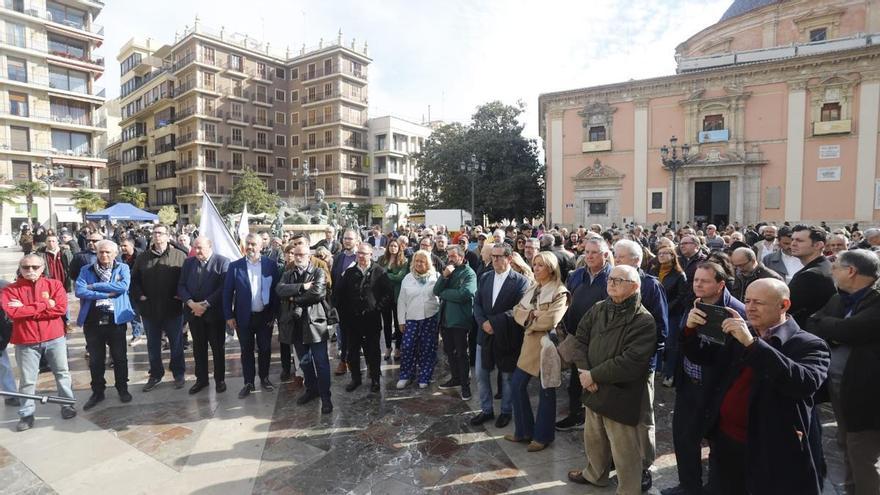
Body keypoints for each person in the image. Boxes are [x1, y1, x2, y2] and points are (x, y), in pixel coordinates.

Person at [681, 278, 829, 495]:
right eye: (747, 301)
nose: (749, 308)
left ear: (784, 305)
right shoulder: (743, 332)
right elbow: (705, 358)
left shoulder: (809, 344)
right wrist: (690, 331)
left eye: (759, 303)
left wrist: (752, 344)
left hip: (769, 448)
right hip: (725, 440)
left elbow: (803, 383)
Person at [566, 265, 656, 493]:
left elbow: (631, 362)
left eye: (619, 280)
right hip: (592, 385)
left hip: (620, 391)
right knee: (594, 439)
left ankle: (629, 489)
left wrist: (594, 375)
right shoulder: (599, 308)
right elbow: (580, 340)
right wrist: (585, 373)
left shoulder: (643, 320)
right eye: (611, 279)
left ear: (634, 287)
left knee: (624, 450)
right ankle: (595, 474)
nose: (612, 283)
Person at [662, 262, 746, 495]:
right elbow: (683, 341)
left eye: (704, 281)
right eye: (696, 280)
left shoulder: (736, 311)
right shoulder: (694, 302)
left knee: (718, 443)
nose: (697, 284)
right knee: (684, 437)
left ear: (720, 285)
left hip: (717, 389)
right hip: (689, 382)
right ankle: (689, 486)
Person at [807, 249, 880, 494]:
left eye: (835, 266)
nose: (831, 271)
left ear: (851, 271)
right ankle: (851, 489)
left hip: (867, 393)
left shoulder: (876, 299)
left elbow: (852, 330)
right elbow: (812, 322)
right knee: (846, 442)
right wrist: (837, 330)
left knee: (862, 450)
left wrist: (836, 330)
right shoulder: (839, 298)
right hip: (840, 388)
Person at [613, 239, 670, 491]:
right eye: (615, 257)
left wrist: (641, 359)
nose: (615, 262)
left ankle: (644, 466)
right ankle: (620, 462)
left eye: (620, 258)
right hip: (613, 363)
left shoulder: (650, 285)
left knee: (642, 418)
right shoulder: (612, 281)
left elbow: (661, 330)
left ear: (636, 261)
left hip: (639, 365)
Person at [2, 254, 76, 430]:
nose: (30, 271)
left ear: (42, 268)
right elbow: (13, 314)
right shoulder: (10, 290)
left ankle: (67, 404)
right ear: (20, 269)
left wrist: (26, 308)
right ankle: (27, 414)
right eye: (26, 267)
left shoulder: (54, 285)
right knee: (28, 380)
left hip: (54, 337)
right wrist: (45, 304)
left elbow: (59, 309)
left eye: (35, 267)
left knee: (62, 373)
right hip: (26, 340)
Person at [508, 252, 570, 452]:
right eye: (534, 264)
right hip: (529, 344)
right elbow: (516, 311)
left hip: (547, 346)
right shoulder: (533, 287)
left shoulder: (560, 292)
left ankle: (543, 436)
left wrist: (531, 320)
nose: (535, 268)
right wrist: (534, 315)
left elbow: (551, 320)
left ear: (550, 268)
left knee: (547, 390)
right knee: (517, 385)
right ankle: (523, 431)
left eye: (540, 265)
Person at [556, 237, 613, 431]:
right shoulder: (576, 274)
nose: (589, 256)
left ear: (605, 255)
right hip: (575, 337)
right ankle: (575, 415)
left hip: (600, 341)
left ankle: (597, 424)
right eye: (586, 252)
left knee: (596, 383)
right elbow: (568, 300)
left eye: (594, 252)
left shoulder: (612, 277)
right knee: (575, 381)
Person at [471, 243, 529, 428]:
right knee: (481, 374)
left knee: (507, 376)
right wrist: (483, 323)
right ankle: (486, 410)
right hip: (484, 335)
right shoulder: (486, 277)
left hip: (506, 336)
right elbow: (477, 303)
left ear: (509, 258)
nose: (494, 260)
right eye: (492, 256)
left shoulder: (520, 281)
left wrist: (493, 323)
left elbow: (518, 310)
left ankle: (506, 411)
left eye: (498, 256)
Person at [75, 240, 135, 410]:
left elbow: (123, 286)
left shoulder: (122, 268)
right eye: (101, 252)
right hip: (93, 320)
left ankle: (122, 388)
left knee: (120, 357)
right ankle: (97, 391)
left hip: (115, 319)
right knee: (95, 359)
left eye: (108, 252)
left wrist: (94, 286)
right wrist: (109, 292)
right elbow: (80, 291)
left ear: (115, 254)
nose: (104, 255)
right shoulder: (86, 270)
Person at [276, 243, 333, 414]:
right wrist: (301, 288)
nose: (298, 257)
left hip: (315, 324)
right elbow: (279, 290)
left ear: (309, 256)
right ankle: (312, 389)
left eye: (302, 254)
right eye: (295, 254)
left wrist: (293, 299)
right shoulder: (288, 274)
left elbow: (317, 293)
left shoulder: (318, 272)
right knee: (304, 362)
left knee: (321, 363)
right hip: (295, 325)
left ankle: (326, 398)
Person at [223, 233, 280, 399]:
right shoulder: (235, 266)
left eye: (253, 244)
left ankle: (264, 378)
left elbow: (276, 291)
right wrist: (228, 316)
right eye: (248, 244)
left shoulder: (271, 265)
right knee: (246, 350)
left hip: (265, 317)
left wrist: (274, 314)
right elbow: (227, 293)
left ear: (261, 246)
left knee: (265, 349)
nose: (250, 247)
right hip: (243, 317)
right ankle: (248, 382)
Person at [131, 224, 187, 392]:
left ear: (168, 236)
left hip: (173, 308)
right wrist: (140, 295)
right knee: (153, 345)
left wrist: (181, 293)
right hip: (150, 310)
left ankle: (178, 373)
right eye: (155, 233)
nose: (157, 236)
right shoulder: (143, 257)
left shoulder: (179, 256)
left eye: (160, 233)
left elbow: (186, 279)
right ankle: (156, 374)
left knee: (176, 344)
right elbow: (134, 280)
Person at [335, 242, 392, 393]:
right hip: (353, 321)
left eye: (364, 253)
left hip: (371, 319)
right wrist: (344, 314)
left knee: (373, 351)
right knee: (352, 351)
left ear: (371, 255)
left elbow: (387, 294)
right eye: (359, 253)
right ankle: (355, 378)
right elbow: (340, 294)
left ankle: (374, 379)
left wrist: (377, 308)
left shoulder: (379, 271)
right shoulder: (350, 272)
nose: (361, 256)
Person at [178, 237, 230, 394]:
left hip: (214, 314)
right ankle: (201, 380)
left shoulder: (222, 261)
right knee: (198, 348)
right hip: (194, 313)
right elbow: (181, 285)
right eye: (195, 247)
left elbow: (223, 288)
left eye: (200, 248)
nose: (197, 251)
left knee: (217, 348)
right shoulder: (189, 263)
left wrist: (205, 304)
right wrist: (191, 303)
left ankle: (219, 380)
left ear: (210, 246)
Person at [434, 244, 478, 400]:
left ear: (461, 256)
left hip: (460, 319)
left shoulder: (469, 273)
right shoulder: (448, 271)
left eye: (453, 256)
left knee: (461, 353)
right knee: (449, 351)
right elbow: (436, 290)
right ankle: (455, 378)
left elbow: (465, 294)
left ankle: (465, 385)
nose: (450, 259)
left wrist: (445, 293)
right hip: (445, 318)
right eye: (449, 256)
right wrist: (444, 276)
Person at [396, 250, 441, 389]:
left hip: (430, 317)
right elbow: (401, 301)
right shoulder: (408, 278)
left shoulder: (436, 276)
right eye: (416, 261)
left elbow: (440, 297)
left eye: (422, 261)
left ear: (428, 263)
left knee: (427, 348)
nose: (419, 263)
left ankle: (424, 376)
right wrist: (401, 321)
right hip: (411, 318)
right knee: (408, 347)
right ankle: (405, 375)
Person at [649, 244, 688, 387]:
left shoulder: (679, 274)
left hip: (672, 314)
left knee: (671, 345)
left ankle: (669, 373)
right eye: (659, 253)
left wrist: (665, 307)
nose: (661, 255)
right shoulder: (653, 271)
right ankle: (657, 368)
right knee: (654, 340)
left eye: (665, 253)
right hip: (654, 313)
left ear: (673, 256)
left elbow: (681, 296)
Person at [788, 224, 836, 327]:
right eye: (792, 240)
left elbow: (785, 308)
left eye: (799, 241)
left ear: (818, 245)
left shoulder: (810, 275)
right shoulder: (825, 266)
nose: (793, 244)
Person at [330, 229, 360, 376]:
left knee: (357, 334)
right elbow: (334, 279)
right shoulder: (338, 257)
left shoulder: (360, 257)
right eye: (345, 238)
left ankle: (356, 363)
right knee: (343, 333)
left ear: (356, 240)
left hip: (357, 304)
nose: (347, 241)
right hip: (342, 304)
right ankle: (344, 361)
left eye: (350, 238)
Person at [379, 239, 409, 361]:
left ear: (399, 247)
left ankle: (398, 347)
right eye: (391, 245)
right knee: (386, 323)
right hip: (385, 296)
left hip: (397, 296)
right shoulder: (382, 259)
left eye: (395, 246)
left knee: (398, 323)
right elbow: (378, 274)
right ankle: (387, 347)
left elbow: (400, 277)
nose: (393, 248)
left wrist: (386, 274)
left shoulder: (404, 261)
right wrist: (385, 274)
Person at [118, 239, 144, 345]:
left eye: (125, 245)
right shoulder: (120, 258)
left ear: (132, 246)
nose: (123, 248)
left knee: (141, 312)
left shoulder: (141, 256)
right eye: (121, 246)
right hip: (126, 289)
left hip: (140, 288)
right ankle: (137, 334)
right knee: (133, 311)